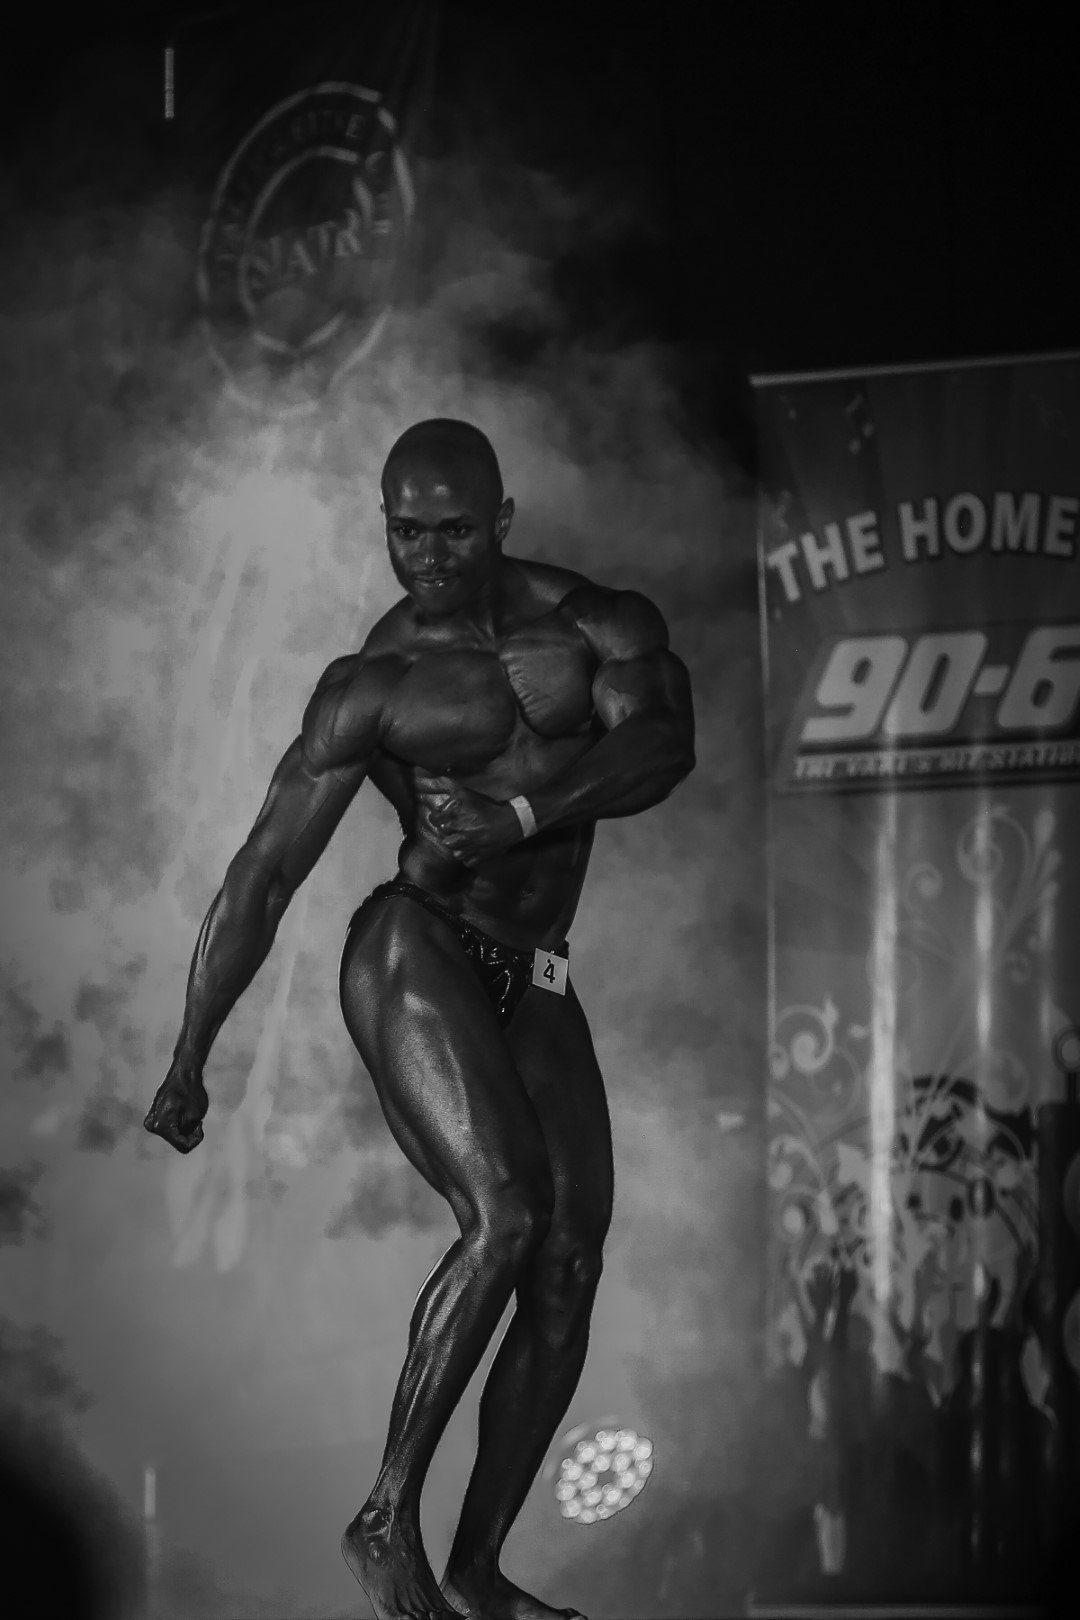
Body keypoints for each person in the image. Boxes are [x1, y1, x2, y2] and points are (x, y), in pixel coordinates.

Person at [144, 418, 695, 1620]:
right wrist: (192, 1054)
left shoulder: (594, 624)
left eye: (453, 531)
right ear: (385, 526)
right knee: (505, 1214)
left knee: (569, 1260)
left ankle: (477, 1569)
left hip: (535, 970)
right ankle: (385, 1517)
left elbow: (665, 746)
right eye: (406, 532)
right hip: (415, 943)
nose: (429, 555)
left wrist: (525, 815)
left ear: (502, 522)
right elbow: (265, 873)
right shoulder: (374, 684)